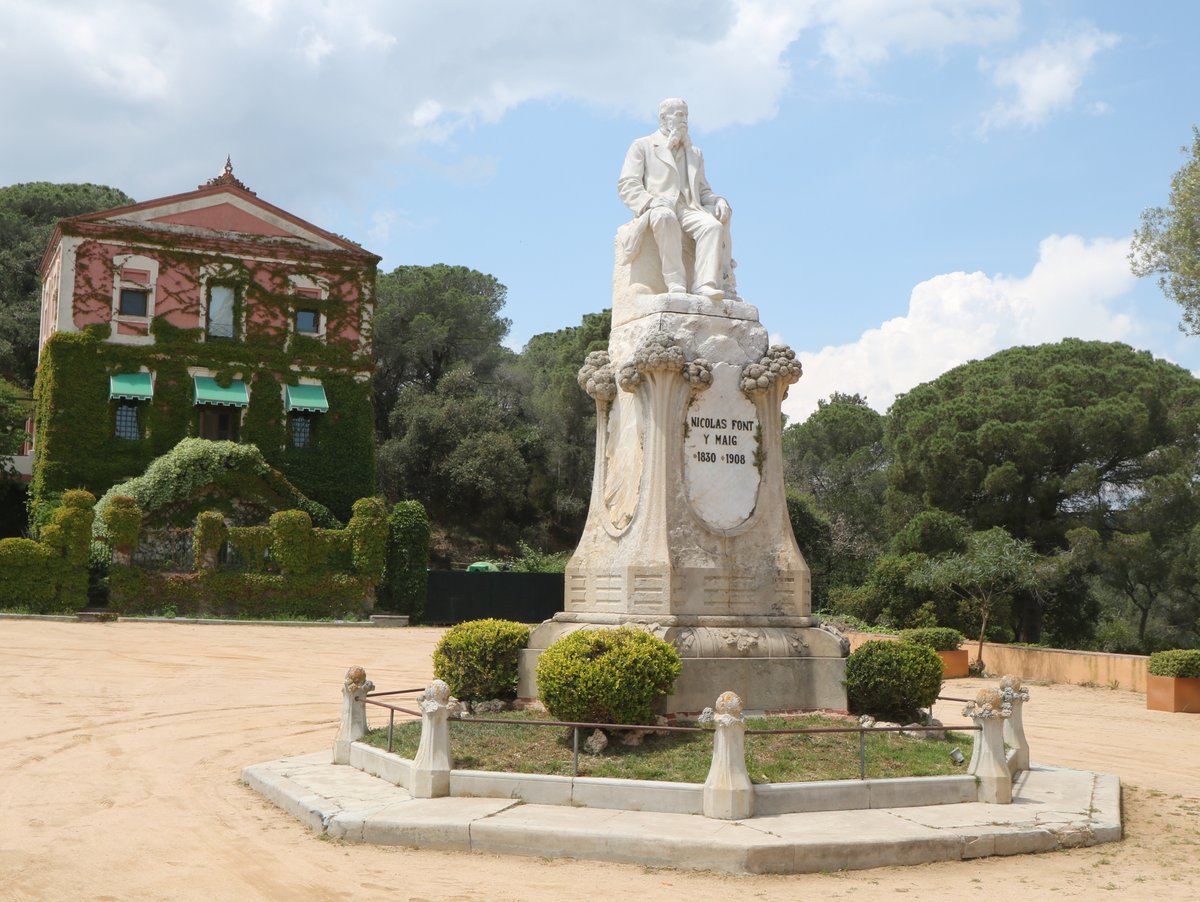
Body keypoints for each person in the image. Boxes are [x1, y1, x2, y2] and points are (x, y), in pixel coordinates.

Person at [617, 98, 734, 300]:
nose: (684, 120)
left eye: (686, 115)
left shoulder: (694, 152)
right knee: (665, 217)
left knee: (712, 227)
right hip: (659, 205)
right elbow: (627, 184)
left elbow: (703, 190)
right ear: (664, 117)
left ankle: (704, 284)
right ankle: (675, 282)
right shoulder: (643, 145)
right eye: (679, 114)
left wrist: (718, 200)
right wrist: (650, 202)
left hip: (689, 207)